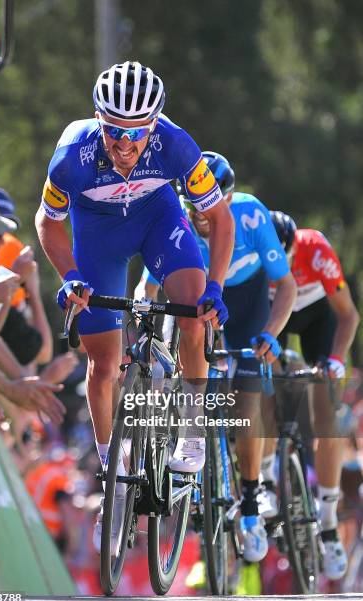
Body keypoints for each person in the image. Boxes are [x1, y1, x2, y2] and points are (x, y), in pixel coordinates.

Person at [35, 61, 235, 553]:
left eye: (136, 135)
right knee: (103, 364)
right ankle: (113, 474)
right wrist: (72, 276)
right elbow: (47, 222)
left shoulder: (177, 145)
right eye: (114, 133)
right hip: (97, 236)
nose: (125, 146)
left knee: (192, 313)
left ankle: (190, 427)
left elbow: (220, 219)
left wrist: (216, 287)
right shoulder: (71, 157)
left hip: (155, 219)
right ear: (98, 122)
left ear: (155, 126)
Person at [138, 152, 297, 562]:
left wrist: (270, 334)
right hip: (202, 300)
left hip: (247, 303)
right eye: (193, 207)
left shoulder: (250, 215)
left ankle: (248, 499)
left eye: (209, 206)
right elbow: (148, 287)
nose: (201, 216)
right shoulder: (178, 222)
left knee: (246, 397)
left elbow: (286, 285)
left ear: (226, 197)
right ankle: (186, 445)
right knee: (185, 359)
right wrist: (145, 329)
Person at [263, 212, 360, 580]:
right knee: (260, 387)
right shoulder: (254, 255)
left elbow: (349, 315)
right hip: (276, 318)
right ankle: (266, 481)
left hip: (320, 318)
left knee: (326, 417)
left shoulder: (316, 250)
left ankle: (329, 518)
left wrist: (335, 360)